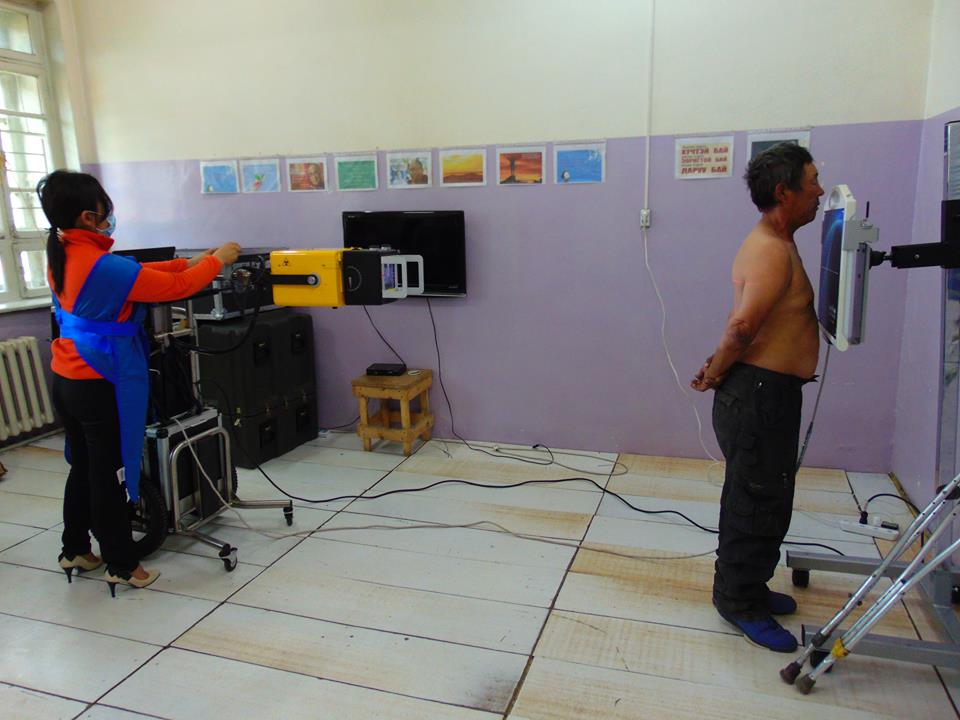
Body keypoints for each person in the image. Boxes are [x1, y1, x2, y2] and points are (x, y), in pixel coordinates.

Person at [38, 170, 241, 594]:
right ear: (89, 216)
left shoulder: (65, 252)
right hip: (99, 380)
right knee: (109, 475)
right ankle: (122, 564)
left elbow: (142, 272)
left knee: (83, 467)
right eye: (104, 209)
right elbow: (175, 287)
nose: (109, 216)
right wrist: (218, 261)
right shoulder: (99, 265)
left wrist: (193, 261)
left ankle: (75, 549)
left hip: (67, 377)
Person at [691, 143, 824, 652]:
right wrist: (715, 372)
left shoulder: (778, 240)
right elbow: (742, 328)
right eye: (811, 182)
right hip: (759, 396)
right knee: (757, 501)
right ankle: (739, 601)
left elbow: (748, 322)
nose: (819, 191)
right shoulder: (770, 248)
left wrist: (717, 366)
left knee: (761, 496)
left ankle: (747, 586)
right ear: (784, 192)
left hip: (767, 393)